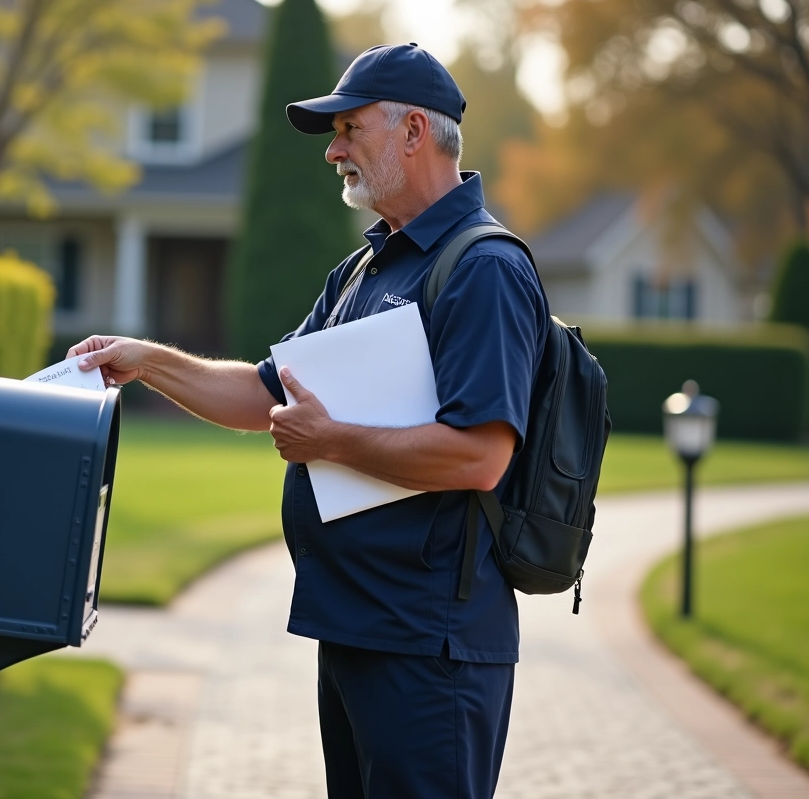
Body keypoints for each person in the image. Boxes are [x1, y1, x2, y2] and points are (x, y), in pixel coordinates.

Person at [69, 43, 549, 799]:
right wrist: (146, 361)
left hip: (431, 649)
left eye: (349, 129)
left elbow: (479, 457)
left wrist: (332, 442)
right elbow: (266, 396)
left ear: (414, 131)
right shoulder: (367, 268)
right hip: (359, 629)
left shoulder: (484, 269)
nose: (333, 152)